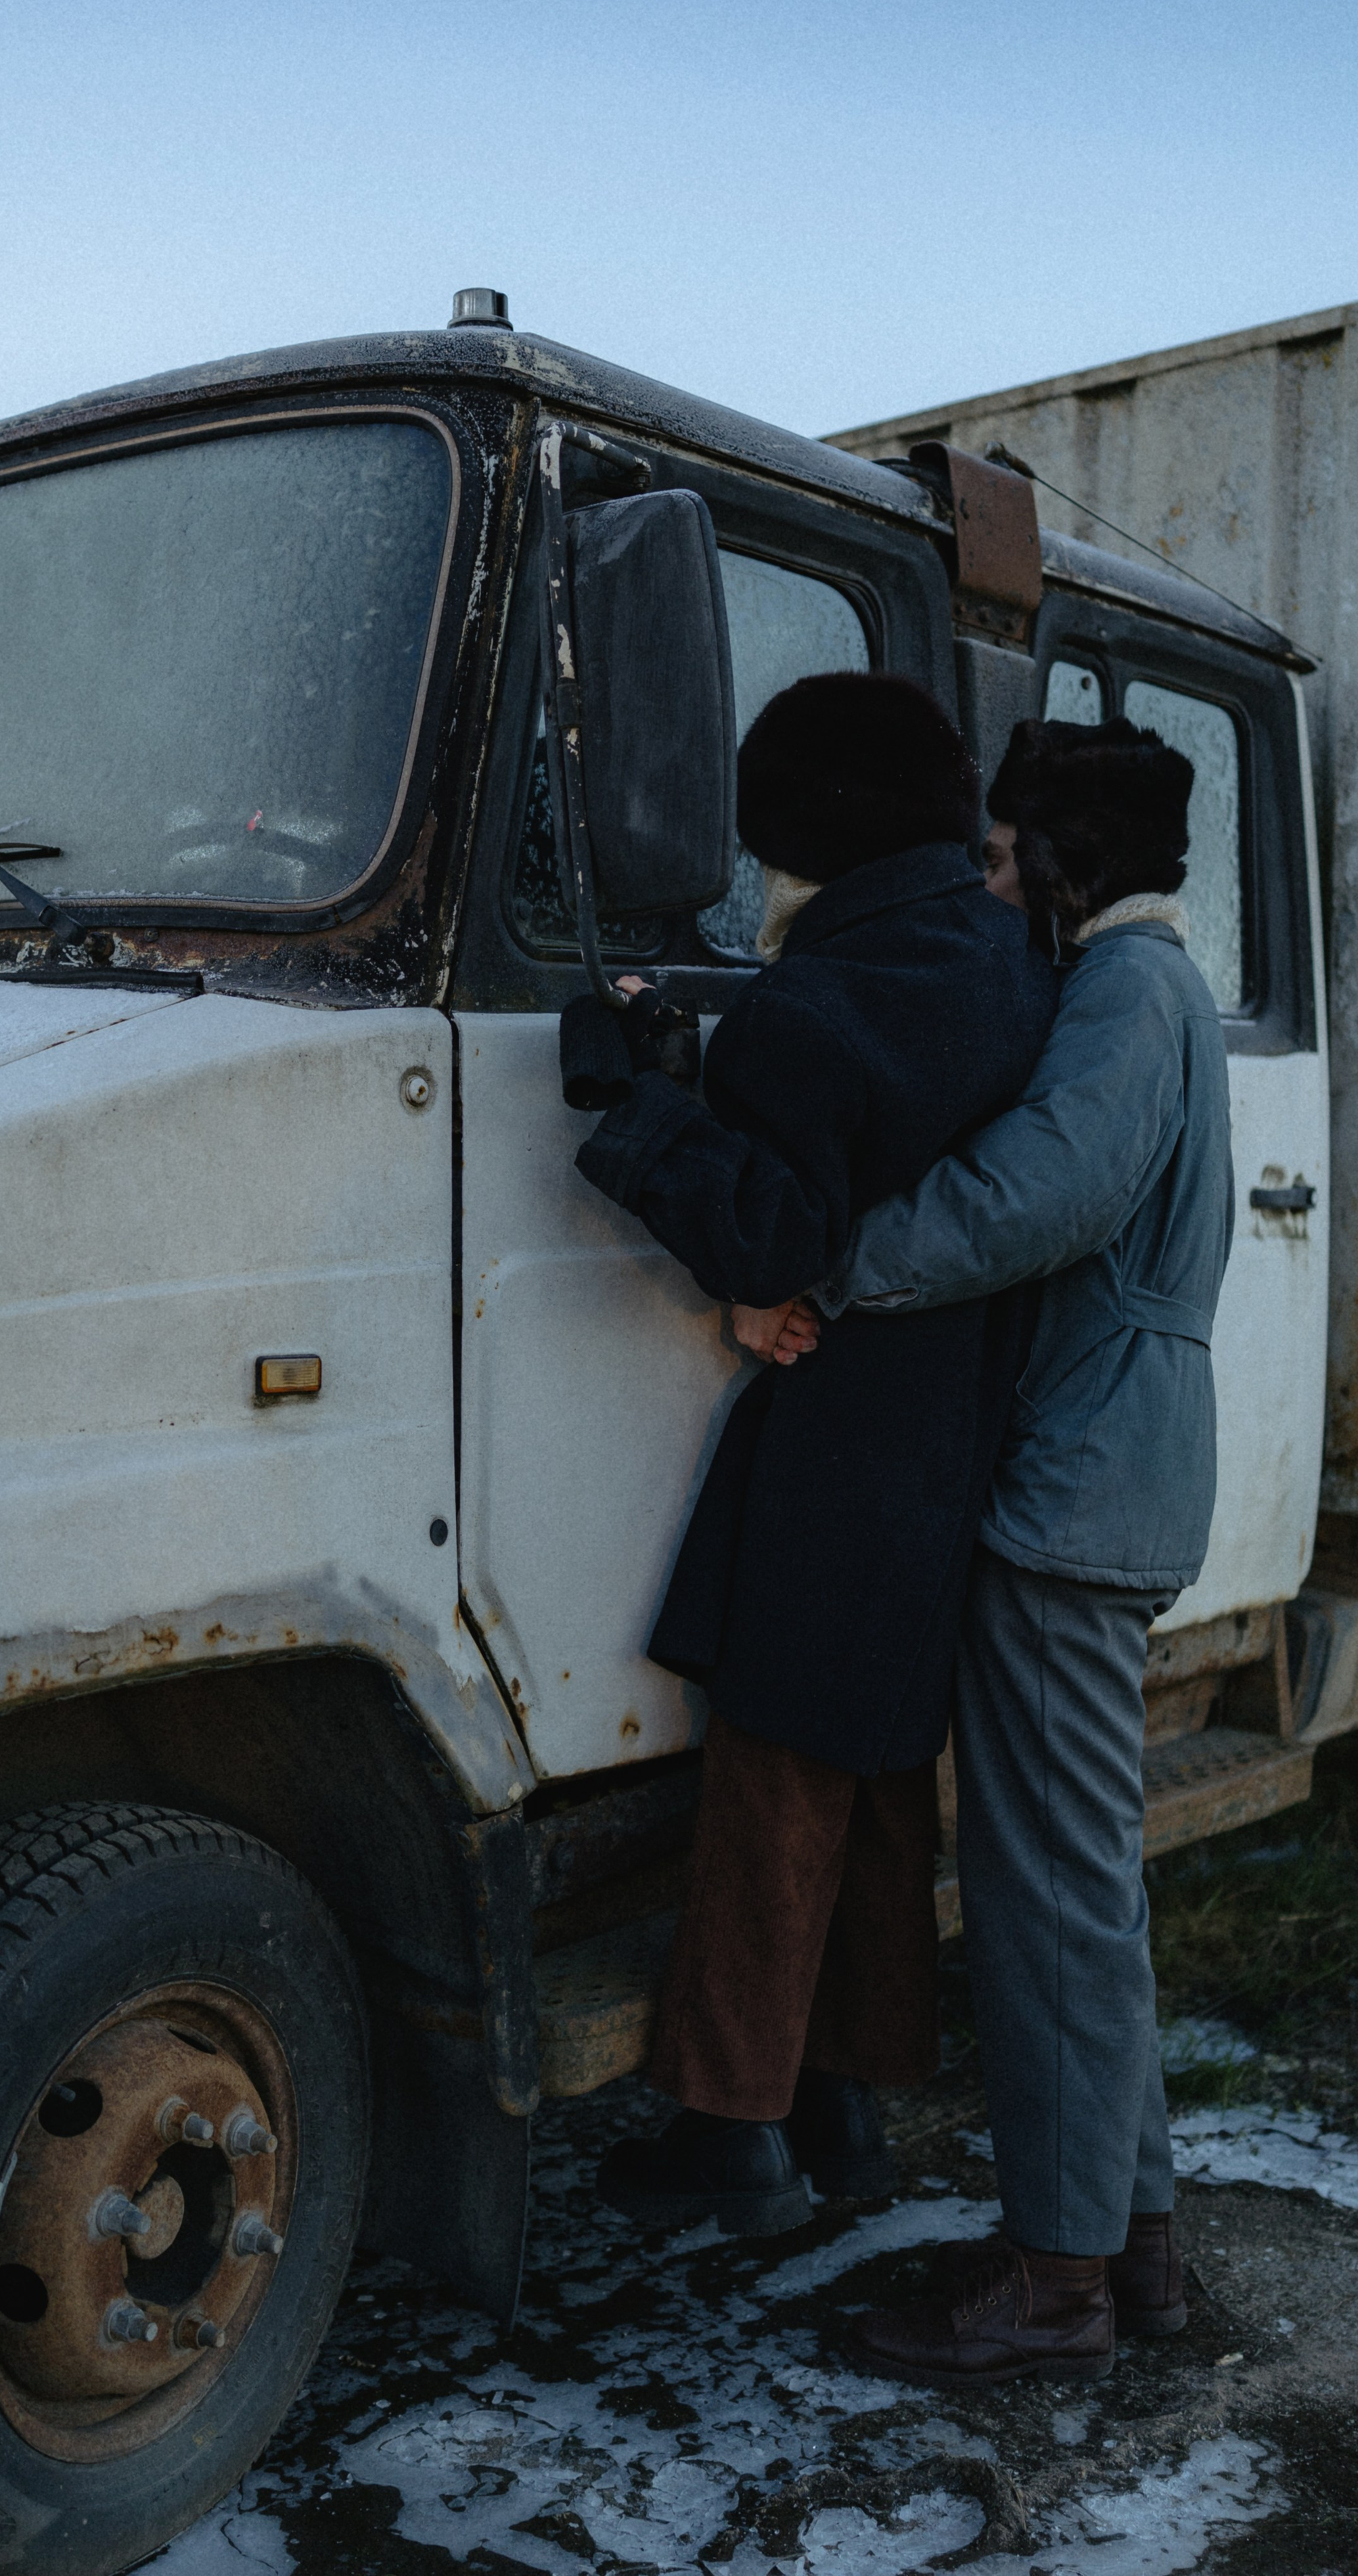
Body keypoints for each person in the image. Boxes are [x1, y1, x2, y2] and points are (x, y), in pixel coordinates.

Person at [558, 671, 1058, 2235]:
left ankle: (730, 2128)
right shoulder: (1003, 962)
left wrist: (638, 1105)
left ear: (802, 833)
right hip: (956, 1435)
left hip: (833, 1441)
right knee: (878, 1780)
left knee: (771, 1786)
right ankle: (846, 2101)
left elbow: (771, 1229)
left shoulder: (808, 1003)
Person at [780, 712, 1233, 2382]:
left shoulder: (1123, 990)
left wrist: (845, 1260)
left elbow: (1041, 1190)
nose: (985, 881)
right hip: (1115, 1466)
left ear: (1067, 859)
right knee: (1084, 1894)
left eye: (999, 854)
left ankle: (1053, 2289)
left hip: (1076, 1486)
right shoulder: (1155, 990)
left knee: (1047, 1905)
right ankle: (1138, 2261)